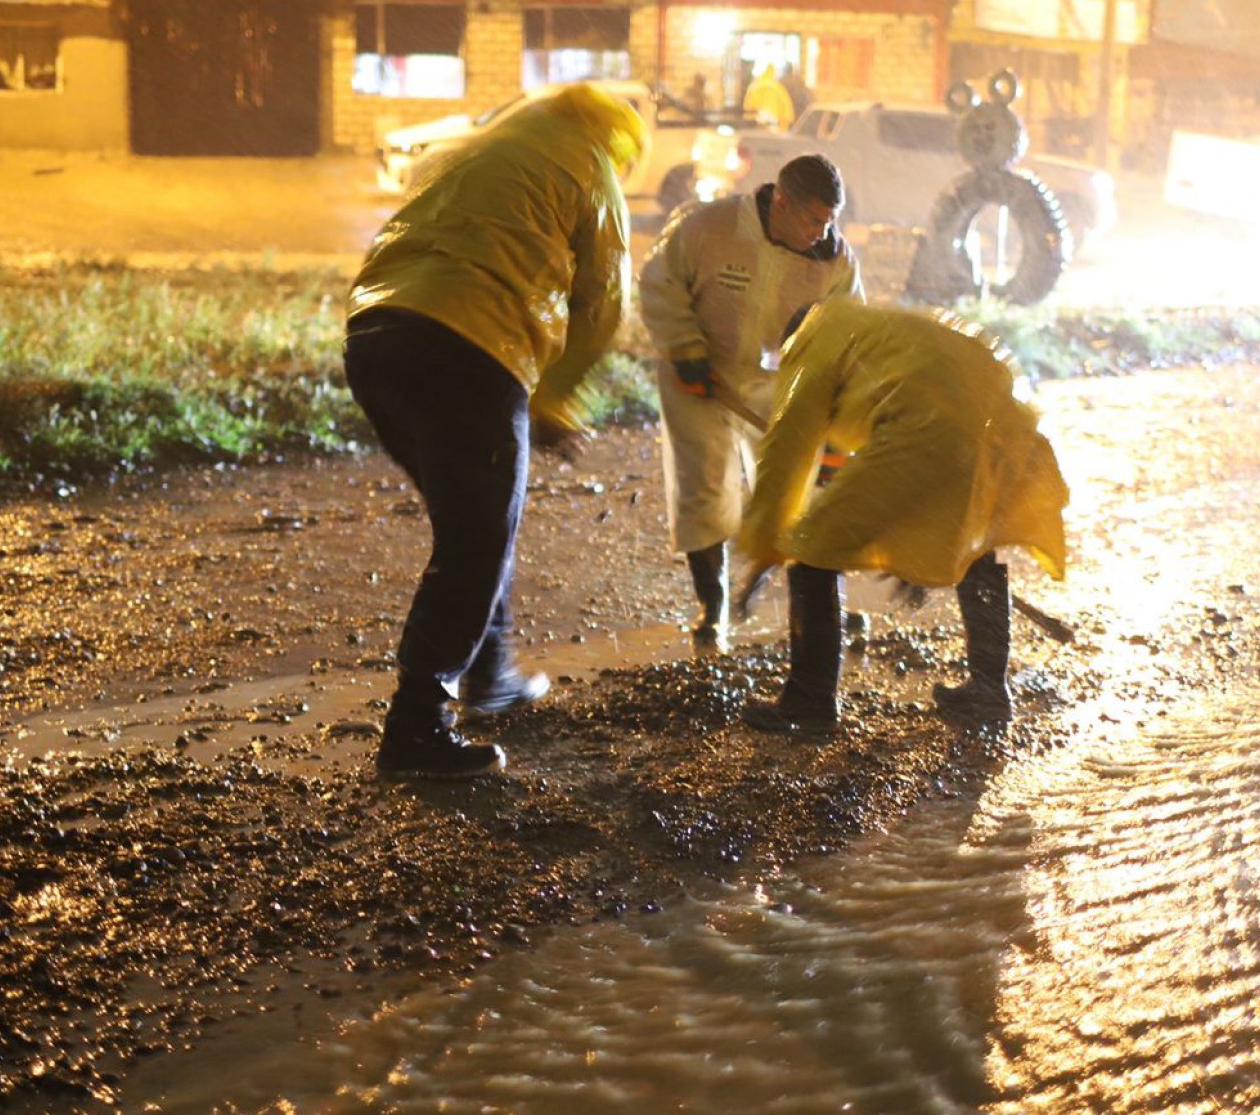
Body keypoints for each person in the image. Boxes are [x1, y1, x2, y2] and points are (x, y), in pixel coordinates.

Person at [342, 83, 640, 779]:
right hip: (473, 347)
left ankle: (490, 676)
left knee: (475, 525)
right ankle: (416, 725)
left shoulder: (470, 150)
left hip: (375, 337)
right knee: (477, 537)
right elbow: (604, 304)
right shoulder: (588, 167)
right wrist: (558, 400)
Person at [735, 299, 1070, 733]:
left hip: (931, 431)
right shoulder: (884, 326)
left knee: (813, 549)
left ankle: (807, 703)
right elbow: (924, 421)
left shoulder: (810, 341)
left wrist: (767, 546)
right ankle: (989, 692)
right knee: (976, 546)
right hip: (1008, 426)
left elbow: (787, 448)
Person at [639, 155, 862, 651]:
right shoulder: (709, 228)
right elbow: (660, 284)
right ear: (780, 202)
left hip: (775, 384)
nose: (820, 233)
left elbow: (849, 338)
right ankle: (711, 606)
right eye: (812, 220)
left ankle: (821, 608)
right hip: (697, 373)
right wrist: (684, 348)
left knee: (795, 494)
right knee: (704, 488)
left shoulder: (834, 259)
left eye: (829, 221)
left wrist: (840, 425)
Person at [742, 64, 795, 130]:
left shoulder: (755, 87)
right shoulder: (778, 88)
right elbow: (788, 116)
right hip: (779, 132)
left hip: (759, 131)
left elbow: (749, 111)